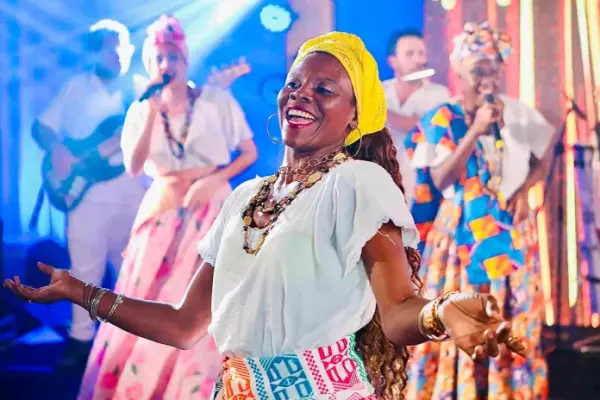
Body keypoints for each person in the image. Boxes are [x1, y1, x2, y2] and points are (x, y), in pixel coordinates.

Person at [6, 31, 528, 400]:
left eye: (324, 89)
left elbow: (395, 312)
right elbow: (185, 325)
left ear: (355, 117)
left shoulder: (358, 183)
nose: (301, 95)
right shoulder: (244, 197)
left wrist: (441, 313)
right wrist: (82, 293)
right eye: (295, 84)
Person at [74, 15, 258, 400]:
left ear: (185, 58)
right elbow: (133, 166)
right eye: (157, 58)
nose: (165, 64)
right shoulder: (142, 108)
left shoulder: (215, 100)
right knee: (150, 294)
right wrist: (151, 113)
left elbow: (248, 152)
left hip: (210, 206)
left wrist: (212, 180)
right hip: (163, 210)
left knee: (206, 298)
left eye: (172, 56)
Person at [404, 22, 554, 399]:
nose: (486, 74)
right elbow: (440, 177)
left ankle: (506, 390)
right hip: (462, 235)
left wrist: (525, 190)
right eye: (477, 66)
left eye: (492, 66)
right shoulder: (443, 117)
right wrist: (475, 129)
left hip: (509, 231)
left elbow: (543, 160)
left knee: (508, 316)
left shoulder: (517, 113)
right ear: (458, 69)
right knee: (461, 313)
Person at [31, 19, 146, 367]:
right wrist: (57, 149)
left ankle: (131, 344)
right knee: (83, 270)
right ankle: (81, 339)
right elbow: (42, 127)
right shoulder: (76, 87)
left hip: (134, 192)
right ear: (94, 53)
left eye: (122, 48)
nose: (117, 55)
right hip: (84, 196)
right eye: (110, 49)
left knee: (133, 269)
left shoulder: (141, 88)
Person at [383, 29, 450, 203]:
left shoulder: (440, 94)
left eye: (422, 54)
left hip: (422, 189)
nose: (418, 60)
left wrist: (379, 111)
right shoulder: (378, 92)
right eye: (410, 54)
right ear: (393, 61)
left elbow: (424, 128)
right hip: (381, 184)